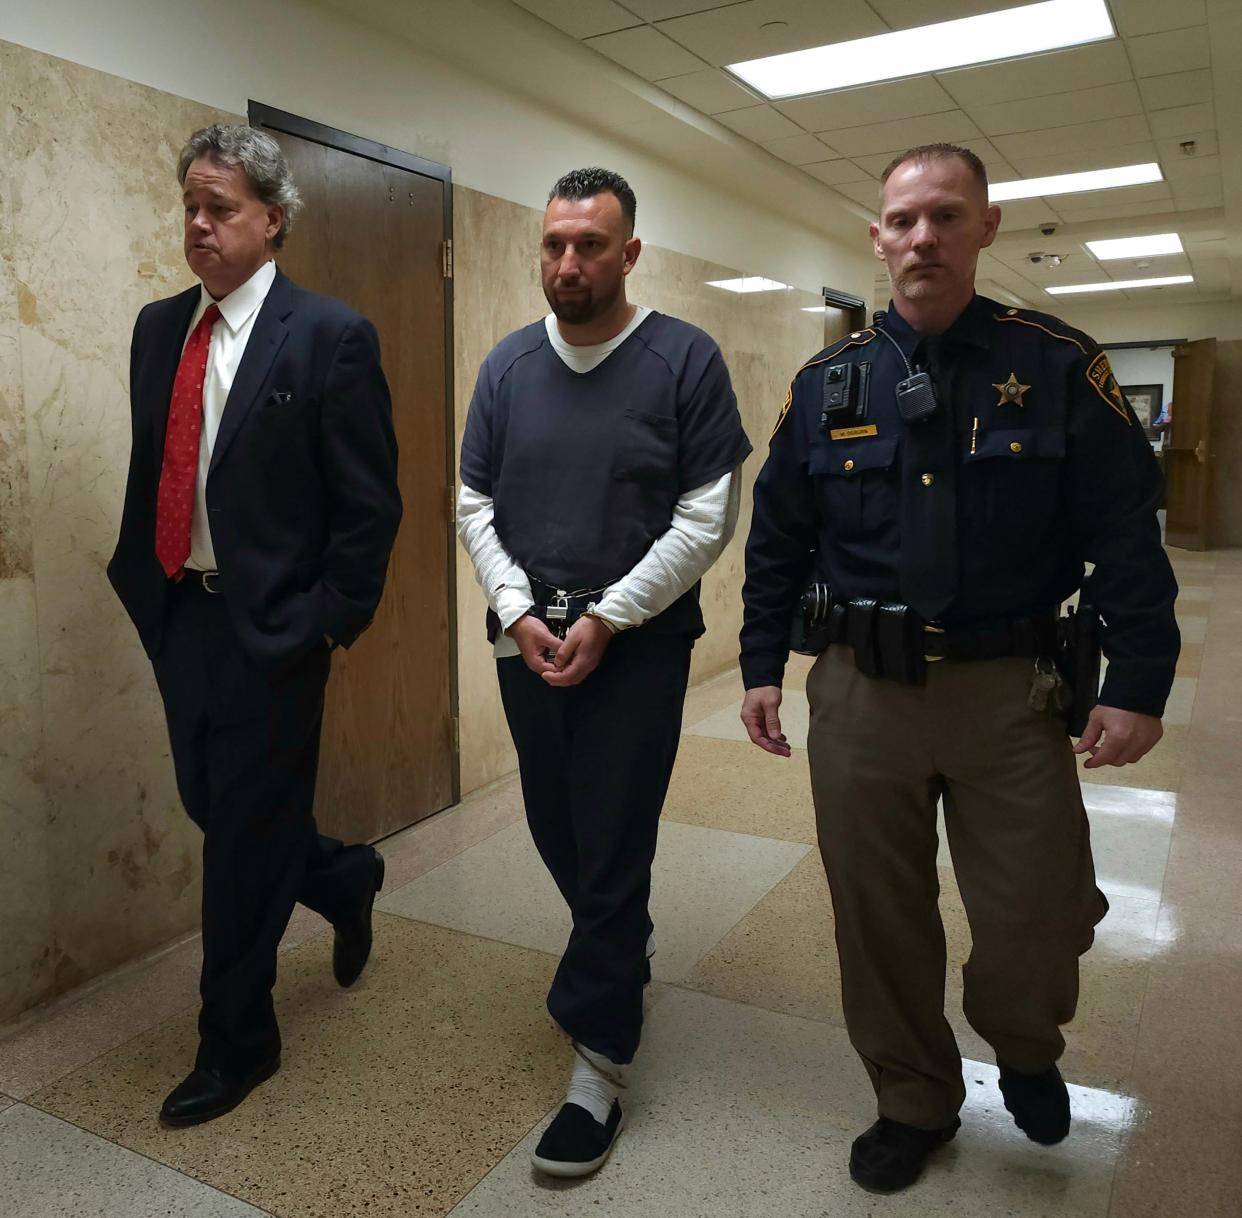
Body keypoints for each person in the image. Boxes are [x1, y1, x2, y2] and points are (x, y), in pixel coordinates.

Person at [738, 143, 1178, 1194]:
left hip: (1008, 690)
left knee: (1039, 912)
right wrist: (759, 663)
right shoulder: (826, 383)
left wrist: (1137, 681)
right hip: (859, 687)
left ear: (986, 228)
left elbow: (1125, 535)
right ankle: (913, 1098)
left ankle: (1023, 1042)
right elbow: (777, 540)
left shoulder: (1060, 364)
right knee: (876, 915)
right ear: (877, 237)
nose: (921, 237)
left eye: (945, 216)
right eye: (902, 220)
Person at [457, 167, 751, 1178]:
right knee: (562, 831)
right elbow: (473, 505)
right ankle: (615, 954)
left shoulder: (684, 361)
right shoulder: (505, 370)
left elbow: (706, 518)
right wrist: (518, 610)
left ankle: (600, 1060)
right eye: (554, 244)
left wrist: (613, 614)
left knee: (615, 837)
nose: (568, 263)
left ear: (630, 253)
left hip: (638, 649)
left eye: (590, 245)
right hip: (527, 645)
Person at [108, 124, 402, 1127]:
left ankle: (239, 1040)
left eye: (220, 207)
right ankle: (347, 875)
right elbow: (162, 468)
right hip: (179, 612)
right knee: (217, 807)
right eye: (190, 204)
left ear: (272, 220)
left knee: (239, 848)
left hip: (275, 629)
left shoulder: (328, 336)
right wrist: (146, 588)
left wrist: (330, 622)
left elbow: (370, 506)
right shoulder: (159, 330)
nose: (198, 223)